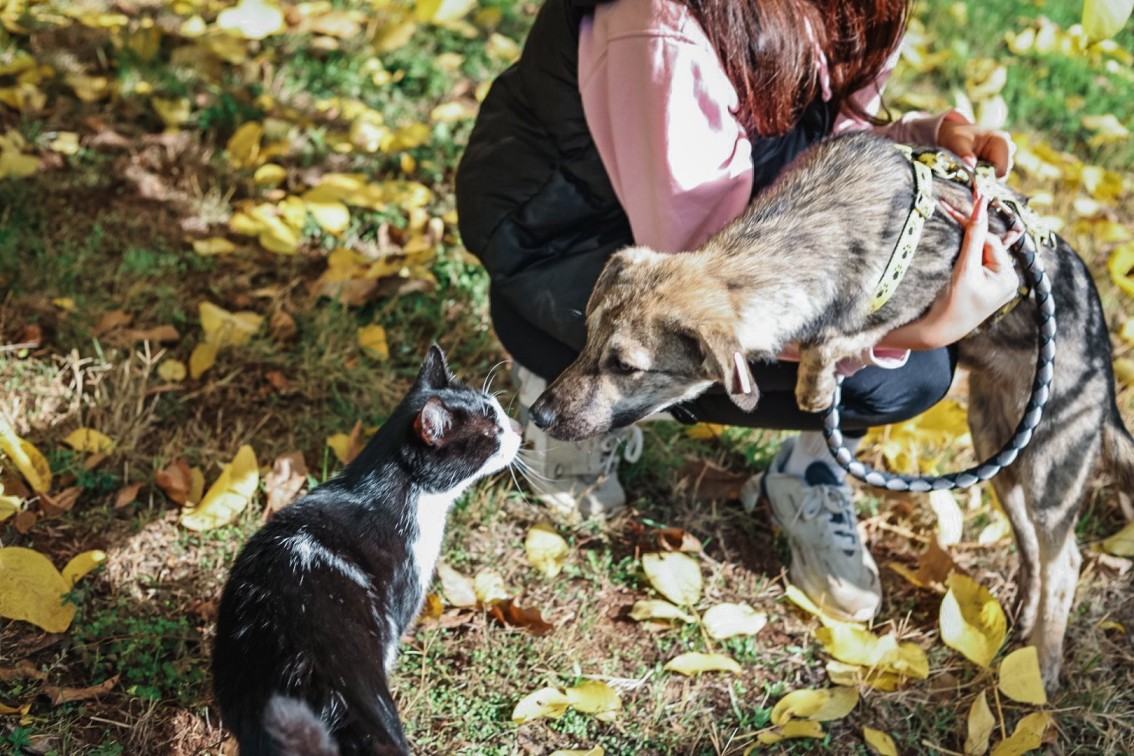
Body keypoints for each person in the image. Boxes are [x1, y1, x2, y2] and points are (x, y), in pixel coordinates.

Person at [455, 0, 1017, 622]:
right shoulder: (665, 27)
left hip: (716, 225)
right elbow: (707, 283)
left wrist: (925, 139)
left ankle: (810, 469)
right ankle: (560, 370)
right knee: (908, 369)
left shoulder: (854, 9)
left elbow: (827, 179)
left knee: (912, 324)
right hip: (575, 241)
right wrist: (917, 328)